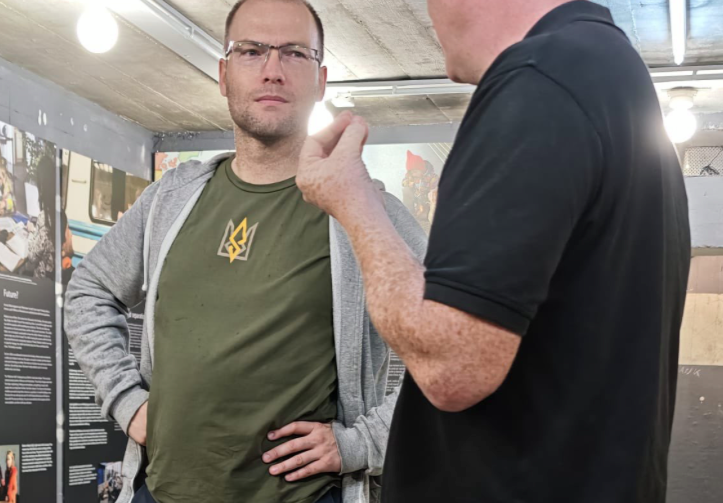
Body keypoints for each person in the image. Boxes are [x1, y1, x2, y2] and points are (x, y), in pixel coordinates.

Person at [295, 1, 690, 502]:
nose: (430, 14)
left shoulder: (538, 80)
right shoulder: (607, 74)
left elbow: (451, 367)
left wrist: (353, 201)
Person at [64, 1, 426, 502]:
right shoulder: (171, 198)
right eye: (252, 51)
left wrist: (361, 442)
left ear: (321, 80)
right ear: (223, 73)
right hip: (161, 493)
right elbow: (88, 292)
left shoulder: (363, 208)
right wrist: (126, 400)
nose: (272, 70)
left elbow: (452, 341)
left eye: (294, 53)